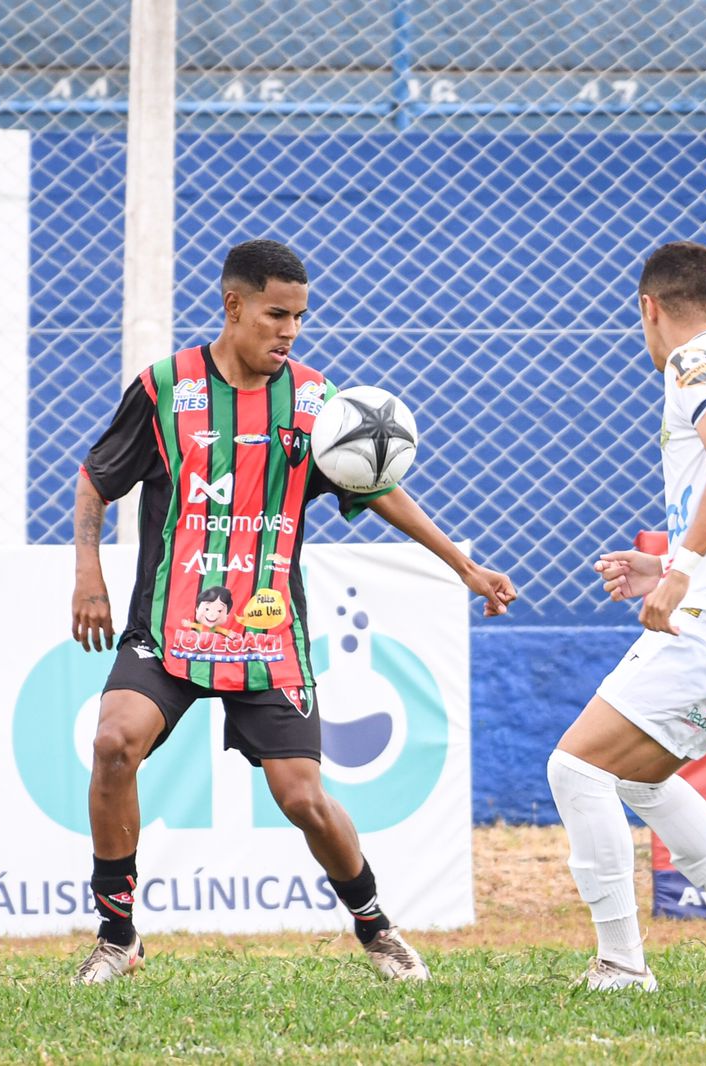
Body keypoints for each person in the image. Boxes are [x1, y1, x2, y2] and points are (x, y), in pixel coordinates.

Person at [71, 238, 517, 984]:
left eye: (300, 318)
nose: (290, 331)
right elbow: (95, 480)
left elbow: (376, 488)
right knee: (115, 741)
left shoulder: (315, 402)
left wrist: (464, 564)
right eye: (277, 314)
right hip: (169, 623)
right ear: (233, 304)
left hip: (265, 632)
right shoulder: (164, 389)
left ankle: (376, 930)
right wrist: (88, 572)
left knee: (303, 798)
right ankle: (118, 937)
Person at [548, 241, 706, 990]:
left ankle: (622, 967)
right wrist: (664, 567)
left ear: (648, 308)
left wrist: (683, 571)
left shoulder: (693, 365)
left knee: (575, 768)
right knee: (640, 779)